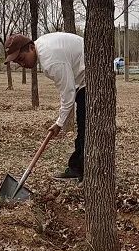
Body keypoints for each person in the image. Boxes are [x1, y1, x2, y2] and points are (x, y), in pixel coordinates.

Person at [5, 32, 85, 181]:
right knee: (84, 128)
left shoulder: (50, 59)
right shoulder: (43, 46)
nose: (22, 64)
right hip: (83, 80)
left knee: (86, 128)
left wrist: (59, 123)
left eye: (22, 59)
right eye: (18, 62)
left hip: (89, 79)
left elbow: (67, 93)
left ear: (30, 48)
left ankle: (81, 170)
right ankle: (78, 168)